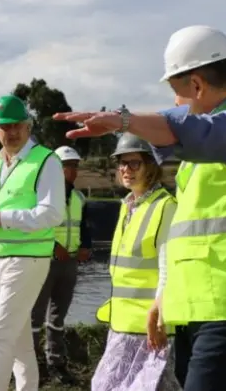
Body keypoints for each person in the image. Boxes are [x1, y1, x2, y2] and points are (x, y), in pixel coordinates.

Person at [52, 25, 226, 391]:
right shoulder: (220, 142)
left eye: (176, 93)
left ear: (198, 85)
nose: (174, 105)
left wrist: (125, 121)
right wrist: (166, 300)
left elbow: (198, 133)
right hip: (207, 305)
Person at [0, 94, 66, 391]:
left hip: (29, 259)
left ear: (28, 126)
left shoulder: (46, 161)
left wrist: (3, 218)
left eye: (17, 126)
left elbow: (52, 214)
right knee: (20, 340)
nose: (11, 132)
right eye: (4, 127)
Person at [90, 133, 182, 391]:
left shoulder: (166, 207)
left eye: (134, 163)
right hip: (122, 324)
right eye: (122, 163)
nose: (126, 170)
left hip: (149, 328)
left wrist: (160, 320)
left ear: (151, 166)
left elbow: (168, 269)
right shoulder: (128, 206)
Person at [31, 145, 92, 386]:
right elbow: (35, 227)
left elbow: (83, 227)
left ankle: (56, 362)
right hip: (45, 261)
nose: (73, 171)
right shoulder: (42, 196)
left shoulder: (79, 198)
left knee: (58, 316)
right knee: (35, 316)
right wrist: (54, 246)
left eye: (75, 166)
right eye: (68, 166)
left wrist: (86, 247)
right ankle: (30, 364)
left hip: (70, 264)